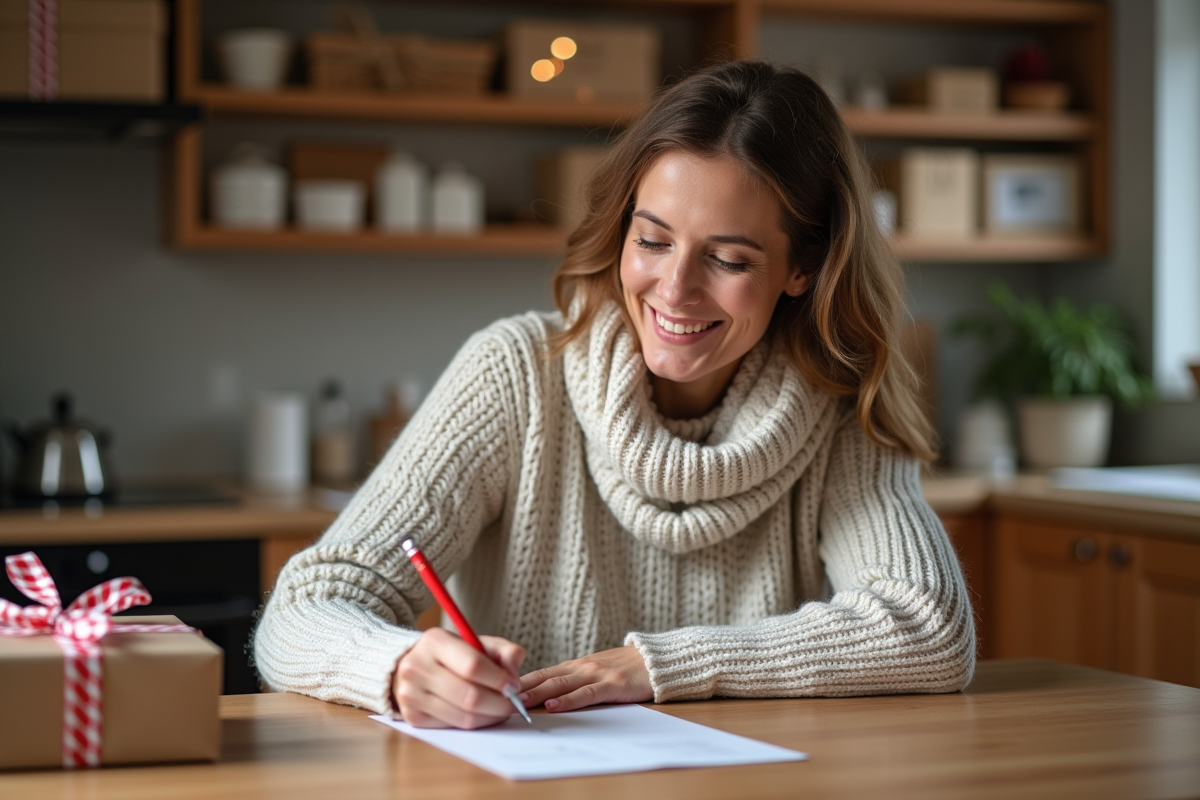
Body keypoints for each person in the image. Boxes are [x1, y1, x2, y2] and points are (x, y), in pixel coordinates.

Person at [253, 59, 975, 729]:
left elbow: (929, 627)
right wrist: (398, 666)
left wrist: (658, 666)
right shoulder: (517, 373)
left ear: (802, 268)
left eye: (728, 259)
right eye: (653, 241)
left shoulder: (837, 406)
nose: (675, 289)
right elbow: (304, 609)